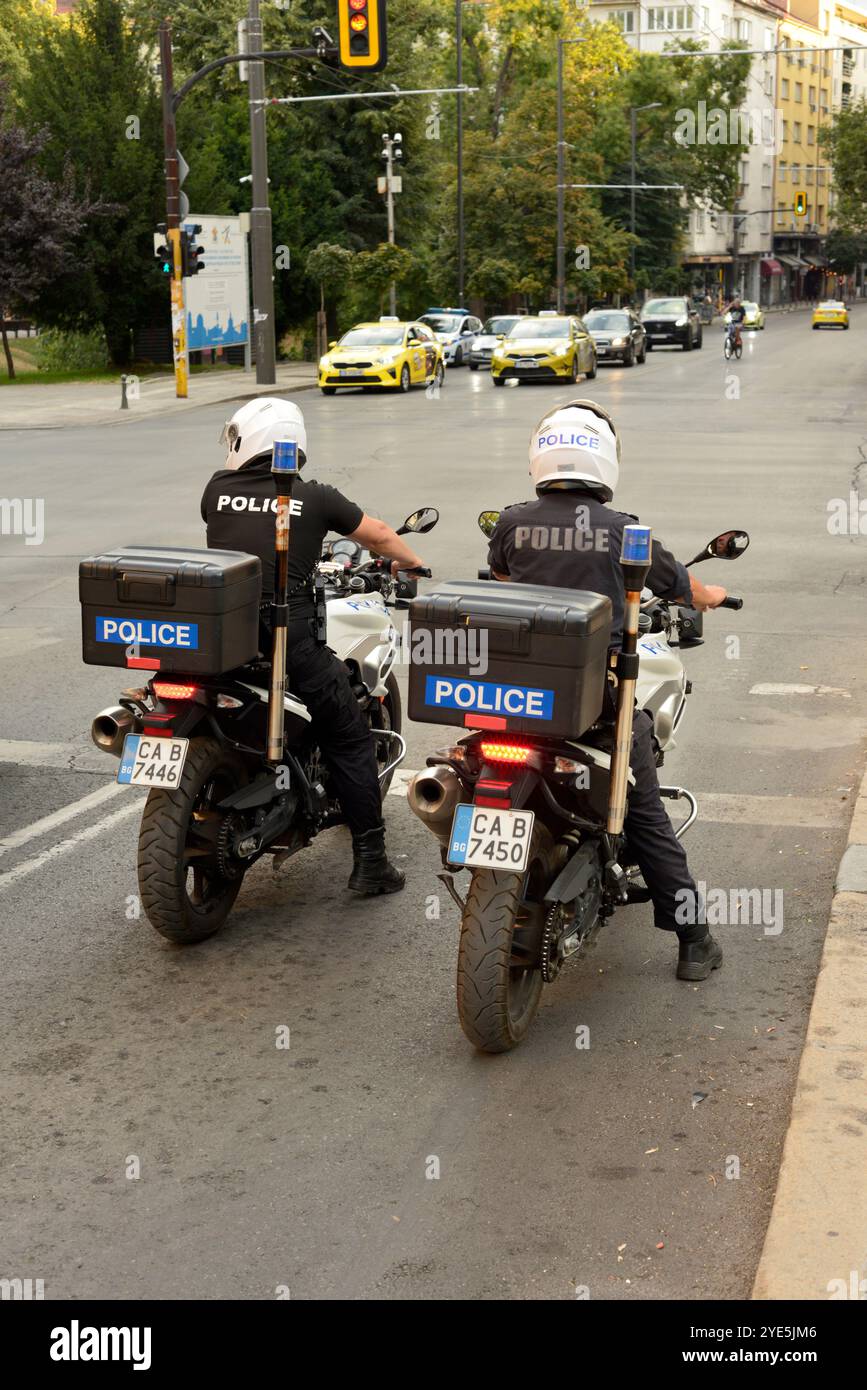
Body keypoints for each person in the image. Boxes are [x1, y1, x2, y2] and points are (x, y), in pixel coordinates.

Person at [486, 399, 727, 981]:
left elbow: (501, 581)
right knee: (642, 811)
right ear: (604, 462)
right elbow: (680, 587)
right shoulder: (626, 532)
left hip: (514, 698)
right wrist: (714, 595)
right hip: (599, 707)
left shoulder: (513, 522)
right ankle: (693, 939)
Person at [201, 396, 428, 895]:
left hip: (225, 642)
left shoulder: (216, 490)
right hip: (289, 640)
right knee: (349, 737)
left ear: (248, 440)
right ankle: (371, 861)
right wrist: (413, 565)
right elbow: (381, 535)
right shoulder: (316, 497)